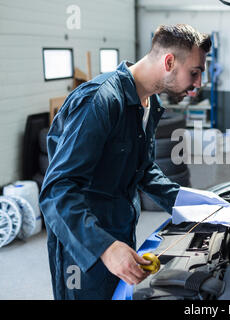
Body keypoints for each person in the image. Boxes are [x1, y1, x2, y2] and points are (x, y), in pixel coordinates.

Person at [39, 24, 211, 300]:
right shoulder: (100, 101)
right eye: (195, 71)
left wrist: (189, 202)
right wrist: (105, 248)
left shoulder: (148, 104)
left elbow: (142, 170)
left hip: (120, 233)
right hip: (84, 248)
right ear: (169, 62)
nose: (198, 83)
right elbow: (57, 190)